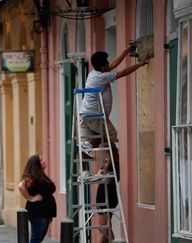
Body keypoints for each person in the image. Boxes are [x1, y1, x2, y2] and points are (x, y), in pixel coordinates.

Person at [79, 46, 149, 242]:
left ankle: (86, 147)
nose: (109, 66)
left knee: (100, 139)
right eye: (106, 64)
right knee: (112, 135)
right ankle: (89, 145)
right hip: (95, 116)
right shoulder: (100, 77)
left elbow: (115, 64)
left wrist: (127, 51)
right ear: (102, 66)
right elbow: (122, 71)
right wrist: (140, 65)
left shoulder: (97, 72)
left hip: (90, 116)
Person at [18, 154, 56, 243]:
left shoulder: (42, 176)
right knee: (36, 239)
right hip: (38, 213)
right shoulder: (33, 177)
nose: (44, 161)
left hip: (45, 213)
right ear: (36, 164)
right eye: (41, 160)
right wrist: (31, 198)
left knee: (39, 238)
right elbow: (20, 186)